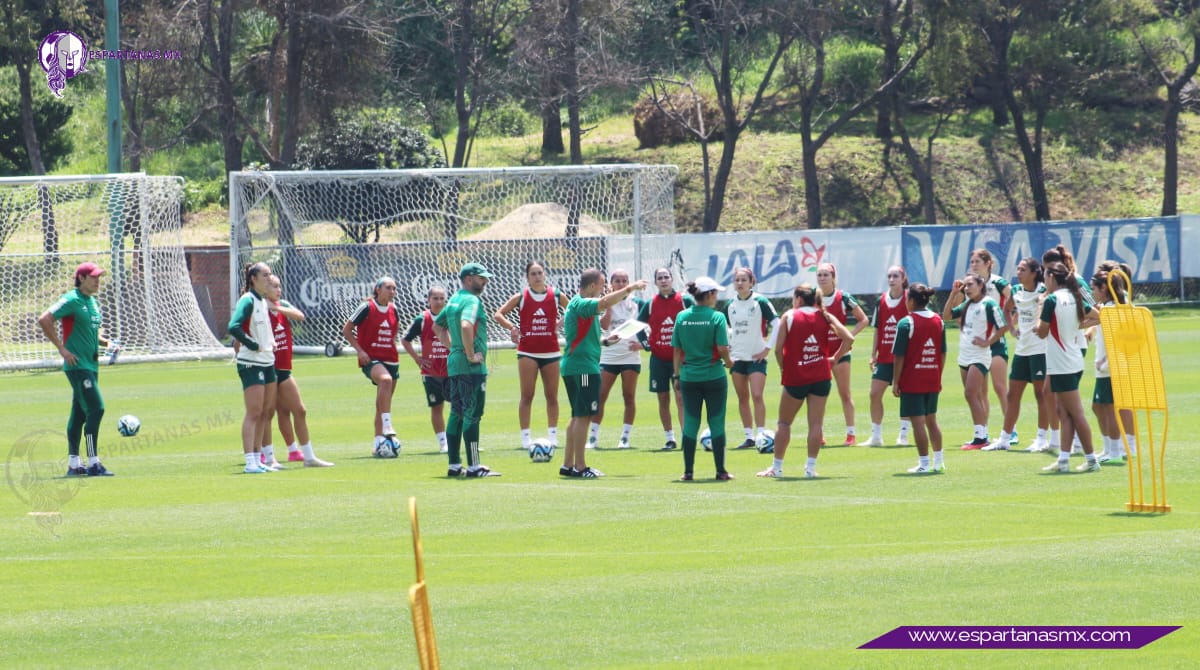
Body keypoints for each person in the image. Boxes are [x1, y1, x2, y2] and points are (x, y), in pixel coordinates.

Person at [757, 284, 854, 479]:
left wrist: (784, 367)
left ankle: (777, 467)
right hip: (821, 376)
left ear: (799, 299)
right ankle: (810, 469)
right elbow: (849, 338)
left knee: (784, 423)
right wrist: (834, 358)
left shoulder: (790, 316)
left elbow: (778, 349)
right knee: (816, 424)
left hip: (796, 378)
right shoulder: (824, 315)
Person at [560, 269, 648, 478]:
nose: (604, 290)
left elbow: (585, 336)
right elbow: (603, 304)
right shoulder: (582, 303)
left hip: (577, 365)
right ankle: (580, 467)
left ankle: (567, 464)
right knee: (583, 416)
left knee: (577, 415)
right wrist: (630, 288)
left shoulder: (581, 308)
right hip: (583, 368)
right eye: (601, 286)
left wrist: (606, 341)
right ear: (592, 287)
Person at [37, 262, 118, 477]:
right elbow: (44, 319)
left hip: (91, 365)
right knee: (96, 409)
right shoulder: (71, 299)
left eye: (99, 277)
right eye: (93, 277)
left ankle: (74, 464)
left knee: (80, 413)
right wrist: (62, 349)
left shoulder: (92, 302)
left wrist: (107, 344)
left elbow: (91, 334)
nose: (97, 280)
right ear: (81, 278)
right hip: (77, 366)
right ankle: (93, 463)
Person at [433, 263, 501, 477]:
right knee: (473, 414)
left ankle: (454, 464)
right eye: (482, 278)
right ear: (470, 279)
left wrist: (454, 348)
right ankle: (474, 466)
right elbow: (465, 325)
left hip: (454, 365)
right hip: (471, 368)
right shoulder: (472, 300)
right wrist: (470, 354)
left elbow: (437, 326)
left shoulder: (453, 299)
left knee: (457, 412)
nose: (486, 281)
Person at [494, 261, 571, 450]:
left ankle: (553, 436)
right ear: (527, 278)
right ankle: (525, 438)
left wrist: (559, 324)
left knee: (552, 396)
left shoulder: (556, 295)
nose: (537, 276)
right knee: (527, 395)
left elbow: (573, 309)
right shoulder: (521, 296)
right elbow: (498, 314)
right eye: (533, 274)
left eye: (540, 273)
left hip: (551, 351)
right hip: (527, 351)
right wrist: (513, 328)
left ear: (545, 274)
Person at [261, 275, 334, 468]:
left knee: (299, 410)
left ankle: (308, 457)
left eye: (279, 286)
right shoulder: (258, 306)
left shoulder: (280, 305)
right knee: (268, 413)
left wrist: (277, 307)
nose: (278, 290)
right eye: (274, 286)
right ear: (263, 288)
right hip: (267, 368)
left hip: (284, 368)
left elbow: (300, 315)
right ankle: (267, 457)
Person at [1037, 261, 1101, 473]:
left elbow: (1042, 331)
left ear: (1052, 278)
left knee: (1076, 413)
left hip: (1061, 363)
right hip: (1072, 359)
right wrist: (1078, 326)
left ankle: (1092, 460)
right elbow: (1098, 317)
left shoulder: (1051, 300)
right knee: (1063, 412)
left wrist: (1039, 309)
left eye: (1045, 277)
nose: (1044, 281)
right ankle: (1063, 460)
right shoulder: (1075, 297)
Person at [672, 277, 736, 481]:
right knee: (716, 422)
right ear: (708, 295)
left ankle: (688, 472)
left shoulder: (682, 317)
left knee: (690, 423)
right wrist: (730, 362)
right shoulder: (717, 317)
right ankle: (721, 471)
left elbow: (676, 350)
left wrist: (676, 375)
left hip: (689, 376)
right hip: (714, 375)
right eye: (715, 293)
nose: (717, 297)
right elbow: (722, 349)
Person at [988, 258, 1052, 453]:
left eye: (1023, 269)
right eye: (1018, 268)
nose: (1018, 272)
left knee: (1041, 395)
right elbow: (1007, 310)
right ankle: (1004, 439)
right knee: (1012, 394)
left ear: (1034, 273)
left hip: (1040, 350)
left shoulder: (1043, 291)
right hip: (1022, 350)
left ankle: (1041, 439)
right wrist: (1011, 329)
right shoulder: (1015, 291)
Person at [943, 272, 1006, 450]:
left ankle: (980, 438)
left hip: (980, 355)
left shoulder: (989, 304)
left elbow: (1004, 326)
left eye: (970, 284)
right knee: (974, 396)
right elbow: (946, 316)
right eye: (965, 285)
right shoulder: (966, 304)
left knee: (970, 393)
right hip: (964, 355)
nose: (967, 288)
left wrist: (988, 342)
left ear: (980, 285)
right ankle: (981, 433)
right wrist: (953, 294)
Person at [342, 276, 402, 455]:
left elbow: (395, 329)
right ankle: (388, 424)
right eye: (388, 288)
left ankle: (378, 442)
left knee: (382, 402)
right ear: (377, 289)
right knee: (385, 380)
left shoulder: (394, 309)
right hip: (372, 359)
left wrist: (390, 342)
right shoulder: (367, 307)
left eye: (394, 288)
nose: (392, 292)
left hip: (391, 358)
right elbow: (347, 329)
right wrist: (360, 350)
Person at [228, 262, 278, 474]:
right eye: (265, 275)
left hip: (267, 361)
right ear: (254, 279)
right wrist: (252, 344)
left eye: (270, 274)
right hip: (251, 362)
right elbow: (234, 327)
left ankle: (258, 459)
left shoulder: (263, 302)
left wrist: (270, 343)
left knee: (265, 412)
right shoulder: (247, 300)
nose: (269, 278)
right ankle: (250, 461)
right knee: (254, 412)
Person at [891, 284, 947, 474]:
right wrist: (938, 375)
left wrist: (896, 381)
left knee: (918, 422)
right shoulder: (938, 321)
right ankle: (938, 462)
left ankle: (923, 463)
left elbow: (899, 356)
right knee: (932, 420)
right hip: (932, 378)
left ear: (912, 301)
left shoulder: (906, 323)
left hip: (913, 380)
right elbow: (942, 353)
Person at [722, 267, 779, 449]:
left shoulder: (760, 301)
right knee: (742, 397)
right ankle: (749, 437)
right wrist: (727, 346)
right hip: (737, 358)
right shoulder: (730, 305)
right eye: (737, 280)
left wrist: (768, 348)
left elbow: (777, 323)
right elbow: (723, 327)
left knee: (757, 395)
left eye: (743, 280)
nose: (740, 283)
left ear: (751, 282)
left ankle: (762, 434)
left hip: (756, 357)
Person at [637, 267, 693, 450]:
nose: (663, 280)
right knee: (663, 399)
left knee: (681, 397)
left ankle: (687, 436)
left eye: (666, 277)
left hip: (681, 360)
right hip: (659, 360)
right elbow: (637, 327)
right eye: (660, 278)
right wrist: (646, 345)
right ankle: (670, 438)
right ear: (655, 282)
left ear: (672, 279)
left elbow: (698, 320)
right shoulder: (651, 304)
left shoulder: (684, 301)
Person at [814, 262, 868, 445]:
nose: (822, 278)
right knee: (818, 396)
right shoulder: (812, 298)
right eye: (819, 275)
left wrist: (848, 336)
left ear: (833, 278)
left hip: (841, 353)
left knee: (844, 394)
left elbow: (863, 320)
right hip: (819, 354)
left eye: (826, 275)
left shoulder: (843, 297)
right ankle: (818, 434)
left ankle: (851, 435)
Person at [591, 269, 644, 450]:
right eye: (618, 281)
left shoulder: (636, 304)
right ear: (611, 284)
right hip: (609, 356)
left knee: (629, 396)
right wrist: (609, 308)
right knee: (600, 396)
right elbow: (604, 325)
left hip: (630, 356)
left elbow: (645, 328)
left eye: (624, 280)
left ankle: (625, 438)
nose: (621, 284)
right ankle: (592, 437)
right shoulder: (604, 303)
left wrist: (642, 345)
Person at [1089, 265, 1137, 464]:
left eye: (1094, 288)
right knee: (1099, 406)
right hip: (1106, 365)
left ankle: (1117, 450)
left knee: (1111, 407)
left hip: (1112, 366)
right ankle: (1112, 448)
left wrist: (1106, 361)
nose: (1092, 291)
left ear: (1104, 289)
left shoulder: (1112, 309)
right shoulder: (1108, 308)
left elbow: (1120, 339)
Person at [865, 265, 913, 447]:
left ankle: (903, 434)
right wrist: (873, 354)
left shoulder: (910, 299)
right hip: (885, 357)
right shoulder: (881, 301)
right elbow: (878, 328)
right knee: (874, 393)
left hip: (905, 358)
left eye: (895, 276)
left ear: (903, 278)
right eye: (889, 276)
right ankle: (876, 436)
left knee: (906, 395)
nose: (892, 279)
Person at [969, 249, 1013, 444]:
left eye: (977, 261)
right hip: (978, 343)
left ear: (988, 263)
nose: (973, 265)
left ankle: (1011, 430)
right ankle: (982, 432)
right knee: (980, 391)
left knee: (999, 386)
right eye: (972, 262)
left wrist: (1010, 323)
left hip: (996, 341)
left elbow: (1015, 301)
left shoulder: (998, 282)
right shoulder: (971, 285)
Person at [402, 286, 451, 454]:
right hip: (431, 373)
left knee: (461, 406)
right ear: (428, 300)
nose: (438, 301)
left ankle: (462, 438)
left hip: (452, 370)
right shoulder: (422, 319)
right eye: (435, 298)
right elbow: (405, 340)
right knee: (437, 407)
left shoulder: (452, 317)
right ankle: (443, 443)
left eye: (441, 298)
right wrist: (417, 359)